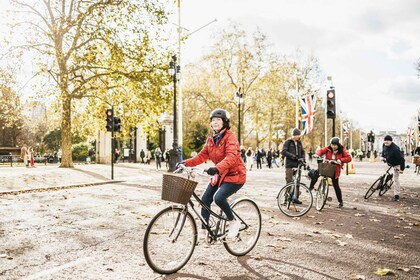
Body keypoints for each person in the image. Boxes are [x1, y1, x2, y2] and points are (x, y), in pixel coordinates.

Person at [182, 108, 246, 241]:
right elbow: (201, 156)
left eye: (218, 120)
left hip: (235, 175)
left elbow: (231, 157)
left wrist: (216, 168)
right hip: (220, 174)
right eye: (213, 120)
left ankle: (233, 222)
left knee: (219, 198)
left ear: (224, 122)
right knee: (205, 200)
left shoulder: (230, 137)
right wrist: (185, 163)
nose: (215, 122)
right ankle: (204, 232)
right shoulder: (211, 140)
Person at [312, 137, 352, 208]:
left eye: (335, 145)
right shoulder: (328, 149)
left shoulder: (342, 150)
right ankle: (310, 187)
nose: (333, 146)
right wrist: (318, 154)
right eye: (332, 145)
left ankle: (340, 202)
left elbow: (349, 158)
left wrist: (341, 160)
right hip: (327, 166)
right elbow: (321, 151)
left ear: (338, 145)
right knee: (316, 173)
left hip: (335, 169)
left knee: (336, 185)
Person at [381, 135, 405, 201]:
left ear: (391, 141)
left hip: (396, 164)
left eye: (387, 141)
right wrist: (382, 156)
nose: (386, 142)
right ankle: (382, 184)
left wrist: (401, 169)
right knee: (384, 174)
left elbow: (402, 159)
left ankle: (396, 194)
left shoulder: (395, 149)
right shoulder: (384, 144)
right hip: (388, 162)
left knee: (396, 179)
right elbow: (383, 151)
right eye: (385, 140)